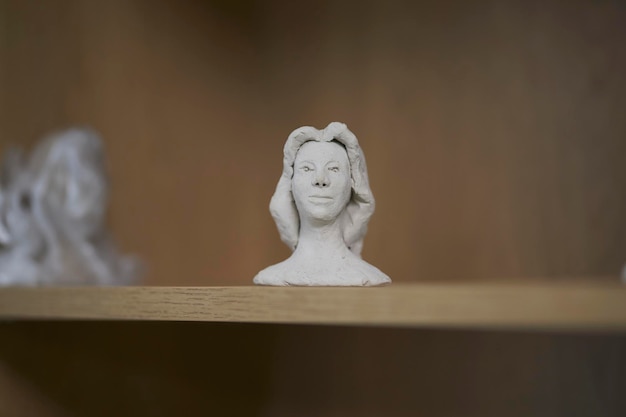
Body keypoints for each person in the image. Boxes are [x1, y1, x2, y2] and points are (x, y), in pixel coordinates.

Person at [254, 122, 390, 286]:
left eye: (333, 169)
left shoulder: (369, 277)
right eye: (307, 169)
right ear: (291, 184)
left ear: (352, 184)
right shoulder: (273, 276)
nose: (320, 180)